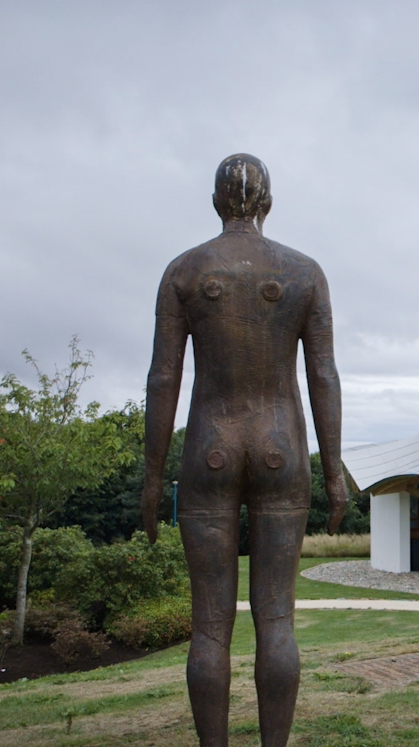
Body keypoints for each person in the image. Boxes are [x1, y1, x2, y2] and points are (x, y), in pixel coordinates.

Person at [142, 154, 346, 747]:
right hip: (282, 446)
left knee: (210, 628)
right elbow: (324, 376)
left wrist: (153, 480)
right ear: (268, 202)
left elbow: (163, 379)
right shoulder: (304, 272)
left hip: (211, 444)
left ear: (216, 202)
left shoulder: (185, 271)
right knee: (276, 620)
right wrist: (334, 474)